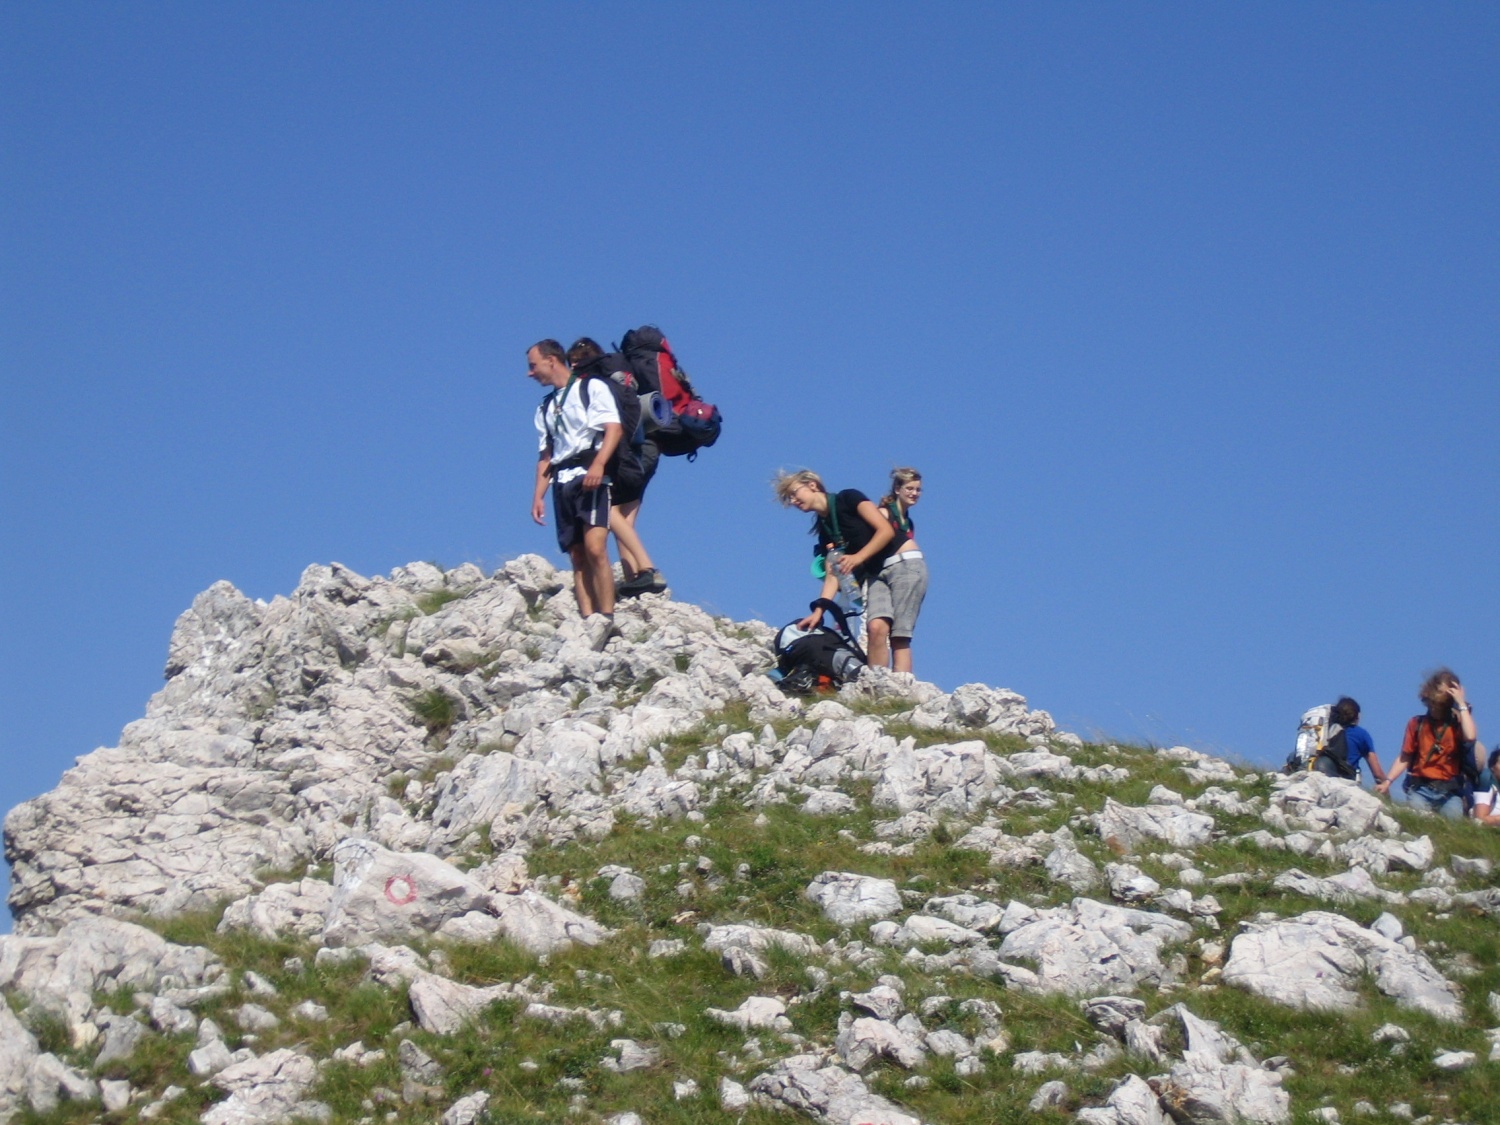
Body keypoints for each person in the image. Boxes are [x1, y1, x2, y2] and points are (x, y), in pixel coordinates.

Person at [527, 339, 619, 649]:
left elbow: (613, 429)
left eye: (533, 366)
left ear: (551, 360)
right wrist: (538, 495)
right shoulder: (545, 407)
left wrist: (599, 464)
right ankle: (587, 620)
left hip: (589, 474)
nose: (530, 373)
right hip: (561, 481)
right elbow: (546, 455)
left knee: (596, 548)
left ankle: (606, 618)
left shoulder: (591, 388)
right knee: (577, 555)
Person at [566, 338, 667, 598]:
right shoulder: (623, 376)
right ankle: (636, 579)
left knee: (609, 512)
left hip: (624, 456)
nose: (572, 368)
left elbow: (612, 429)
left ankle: (647, 570)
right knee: (624, 519)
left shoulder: (596, 385)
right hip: (647, 449)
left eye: (574, 362)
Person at [773, 470, 895, 653]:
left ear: (812, 485)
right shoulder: (824, 530)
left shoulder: (848, 498)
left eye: (794, 493)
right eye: (789, 498)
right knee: (873, 632)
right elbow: (832, 575)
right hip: (870, 581)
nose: (793, 501)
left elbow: (885, 530)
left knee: (891, 634)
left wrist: (858, 557)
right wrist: (819, 611)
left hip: (893, 569)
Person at [1376, 668, 1480, 819]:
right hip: (1420, 789)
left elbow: (1470, 736)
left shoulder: (1457, 724)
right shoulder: (1416, 724)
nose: (1435, 704)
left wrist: (1461, 703)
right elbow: (1405, 757)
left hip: (1449, 793)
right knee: (1418, 825)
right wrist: (1387, 782)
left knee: (1451, 829)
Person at [865, 467, 929, 675]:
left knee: (900, 635)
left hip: (908, 569)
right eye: (909, 488)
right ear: (897, 489)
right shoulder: (884, 513)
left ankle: (901, 684)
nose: (914, 493)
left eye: (918, 489)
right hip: (881, 571)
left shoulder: (908, 521)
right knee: (876, 627)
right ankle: (876, 679)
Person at [1311, 696, 1387, 786]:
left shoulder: (1327, 730)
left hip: (1320, 775)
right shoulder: (1361, 734)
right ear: (1357, 716)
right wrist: (1386, 786)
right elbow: (1377, 773)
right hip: (1347, 783)